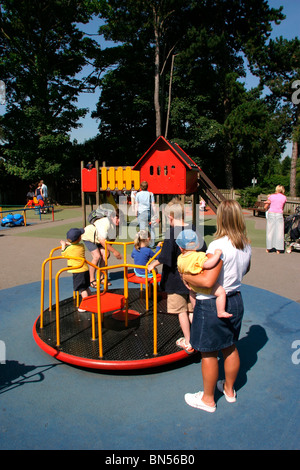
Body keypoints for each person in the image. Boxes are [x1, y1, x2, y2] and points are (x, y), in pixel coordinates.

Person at [182, 200, 251, 413]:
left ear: (221, 217)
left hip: (211, 304)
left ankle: (208, 399)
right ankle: (229, 390)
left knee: (209, 353)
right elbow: (246, 270)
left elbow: (207, 281)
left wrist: (185, 275)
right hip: (236, 298)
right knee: (230, 346)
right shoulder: (246, 244)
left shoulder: (217, 245)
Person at [147, 197, 207, 354]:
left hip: (176, 279)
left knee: (181, 311)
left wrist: (154, 263)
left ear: (170, 217)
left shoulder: (171, 232)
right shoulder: (193, 229)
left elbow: (166, 257)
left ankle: (188, 341)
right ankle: (198, 337)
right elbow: (202, 249)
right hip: (193, 278)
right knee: (192, 310)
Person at [176, 229, 231, 319]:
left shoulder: (180, 258)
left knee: (192, 294)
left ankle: (195, 307)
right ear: (197, 245)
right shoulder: (198, 256)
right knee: (221, 292)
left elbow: (180, 271)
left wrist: (184, 280)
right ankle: (221, 311)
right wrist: (217, 255)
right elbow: (208, 264)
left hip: (192, 285)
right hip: (201, 284)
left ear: (180, 248)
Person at [82, 209, 122, 288]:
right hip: (89, 237)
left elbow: (113, 238)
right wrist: (114, 251)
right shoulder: (105, 222)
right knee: (97, 256)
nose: (119, 220)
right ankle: (92, 280)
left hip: (99, 239)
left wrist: (108, 249)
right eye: (117, 218)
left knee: (106, 255)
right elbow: (102, 240)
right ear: (111, 217)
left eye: (121, 219)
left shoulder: (117, 226)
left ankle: (101, 277)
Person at [60, 228, 91, 312]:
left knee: (82, 289)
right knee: (86, 286)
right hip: (85, 269)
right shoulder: (81, 245)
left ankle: (86, 305)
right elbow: (74, 246)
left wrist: (63, 245)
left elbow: (63, 254)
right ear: (79, 238)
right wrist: (69, 244)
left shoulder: (69, 249)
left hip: (78, 271)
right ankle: (90, 299)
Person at [264, 185, 287, 254]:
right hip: (279, 214)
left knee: (270, 231)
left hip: (271, 213)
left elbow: (265, 207)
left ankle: (268, 248)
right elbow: (282, 207)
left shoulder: (271, 196)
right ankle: (278, 249)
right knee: (279, 232)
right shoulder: (284, 197)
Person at [135, 181, 156, 246]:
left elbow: (136, 205)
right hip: (148, 212)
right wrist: (155, 214)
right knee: (151, 228)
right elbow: (153, 205)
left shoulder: (138, 194)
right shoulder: (150, 194)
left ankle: (143, 244)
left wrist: (136, 213)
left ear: (141, 187)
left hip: (141, 212)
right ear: (147, 187)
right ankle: (152, 244)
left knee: (142, 229)